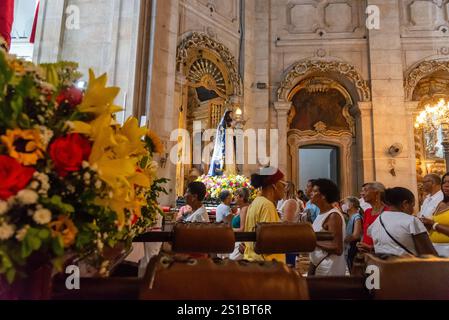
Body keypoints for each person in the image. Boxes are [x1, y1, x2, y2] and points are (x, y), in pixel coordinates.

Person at [368, 187, 437, 256]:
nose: (413, 210)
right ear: (405, 204)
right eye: (412, 206)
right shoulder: (411, 220)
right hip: (406, 265)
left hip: (383, 265)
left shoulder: (378, 220)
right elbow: (428, 253)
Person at [244, 168, 286, 262]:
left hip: (255, 262)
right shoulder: (267, 205)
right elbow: (268, 244)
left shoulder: (256, 202)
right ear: (274, 185)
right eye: (284, 184)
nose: (285, 188)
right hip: (267, 265)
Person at [308, 179, 346, 276]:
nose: (310, 193)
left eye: (315, 191)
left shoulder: (333, 215)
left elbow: (337, 247)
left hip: (329, 268)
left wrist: (311, 240)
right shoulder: (321, 214)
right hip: (320, 266)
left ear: (323, 196)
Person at [420, 172, 449, 257]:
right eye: (444, 182)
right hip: (435, 247)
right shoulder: (441, 203)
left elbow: (433, 223)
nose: (446, 185)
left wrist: (433, 224)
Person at [357, 182, 387, 253]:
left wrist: (372, 248)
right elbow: (365, 233)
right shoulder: (367, 212)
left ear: (377, 193)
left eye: (366, 190)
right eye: (362, 191)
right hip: (366, 254)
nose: (362, 194)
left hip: (381, 255)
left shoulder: (387, 211)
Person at [208, 110, 236, 176]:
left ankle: (230, 172)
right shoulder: (223, 126)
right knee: (226, 156)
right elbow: (221, 133)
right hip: (225, 143)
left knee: (230, 156)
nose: (231, 116)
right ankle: (224, 171)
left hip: (230, 144)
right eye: (230, 114)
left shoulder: (230, 126)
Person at [341, 197, 363, 271]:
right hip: (348, 247)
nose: (343, 205)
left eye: (345, 203)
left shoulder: (357, 217)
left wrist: (342, 239)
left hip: (353, 248)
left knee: (353, 270)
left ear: (351, 205)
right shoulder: (349, 217)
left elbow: (356, 235)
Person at [229, 188, 251, 260]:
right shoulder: (241, 208)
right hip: (236, 240)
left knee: (232, 262)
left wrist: (228, 230)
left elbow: (242, 229)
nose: (234, 197)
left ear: (241, 197)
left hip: (240, 241)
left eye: (235, 195)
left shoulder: (245, 209)